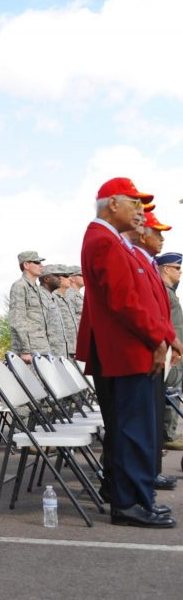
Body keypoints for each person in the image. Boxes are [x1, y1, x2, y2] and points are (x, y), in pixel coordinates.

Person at [77, 178, 177, 528]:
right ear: (112, 204)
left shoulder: (110, 240)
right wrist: (158, 338)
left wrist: (162, 337)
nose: (140, 211)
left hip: (132, 349)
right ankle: (130, 504)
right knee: (132, 431)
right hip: (126, 350)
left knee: (134, 429)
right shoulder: (103, 240)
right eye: (134, 203)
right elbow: (125, 302)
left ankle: (134, 498)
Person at [131, 209, 179, 491]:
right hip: (142, 351)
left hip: (155, 348)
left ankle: (150, 473)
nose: (161, 239)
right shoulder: (135, 259)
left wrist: (170, 338)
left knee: (151, 413)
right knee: (136, 420)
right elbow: (135, 307)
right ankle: (132, 484)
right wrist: (163, 339)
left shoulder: (145, 263)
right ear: (143, 233)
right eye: (157, 233)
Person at [156, 252, 183, 450]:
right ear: (166, 268)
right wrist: (174, 344)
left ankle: (168, 433)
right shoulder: (163, 290)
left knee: (173, 391)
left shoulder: (169, 290)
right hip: (168, 350)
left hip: (174, 349)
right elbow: (164, 322)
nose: (180, 272)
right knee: (170, 393)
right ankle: (167, 435)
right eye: (177, 268)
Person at [8, 250, 50, 363]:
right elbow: (17, 319)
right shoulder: (20, 286)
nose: (41, 265)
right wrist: (25, 350)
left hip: (42, 348)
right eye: (36, 262)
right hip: (29, 352)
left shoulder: (38, 290)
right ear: (26, 265)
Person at [38, 265, 73, 358]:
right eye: (56, 276)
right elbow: (39, 327)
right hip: (50, 353)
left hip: (61, 352)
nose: (59, 279)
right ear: (46, 279)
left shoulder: (51, 296)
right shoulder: (40, 296)